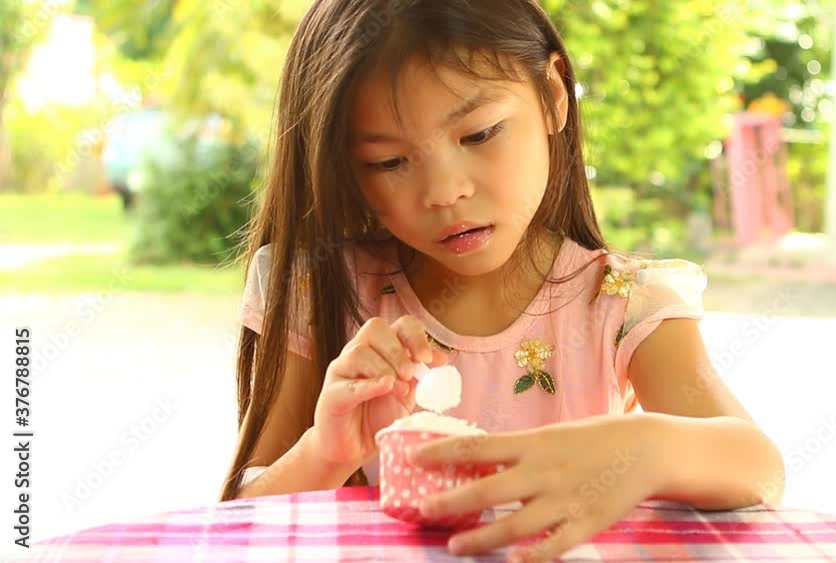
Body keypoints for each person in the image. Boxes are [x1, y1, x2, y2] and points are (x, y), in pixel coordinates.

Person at [222, 1, 784, 561]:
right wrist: (326, 451)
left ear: (553, 95)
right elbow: (237, 527)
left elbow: (758, 468)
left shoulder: (622, 304)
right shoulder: (317, 291)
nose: (445, 192)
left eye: (479, 134)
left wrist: (646, 447)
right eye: (389, 162)